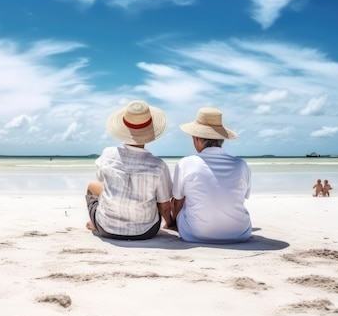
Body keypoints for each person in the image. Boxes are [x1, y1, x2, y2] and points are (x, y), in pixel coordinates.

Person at [85, 100, 174, 240]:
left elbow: (101, 179)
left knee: (92, 186)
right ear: (150, 133)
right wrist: (170, 223)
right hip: (145, 232)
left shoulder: (108, 154)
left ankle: (98, 223)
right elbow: (164, 206)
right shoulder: (159, 166)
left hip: (107, 228)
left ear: (123, 130)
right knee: (156, 195)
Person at [171, 107, 252, 243]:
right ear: (222, 139)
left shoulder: (186, 163)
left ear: (196, 139)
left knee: (181, 194)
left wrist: (174, 222)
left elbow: (177, 201)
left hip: (195, 234)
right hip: (239, 233)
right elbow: (242, 196)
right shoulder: (241, 165)